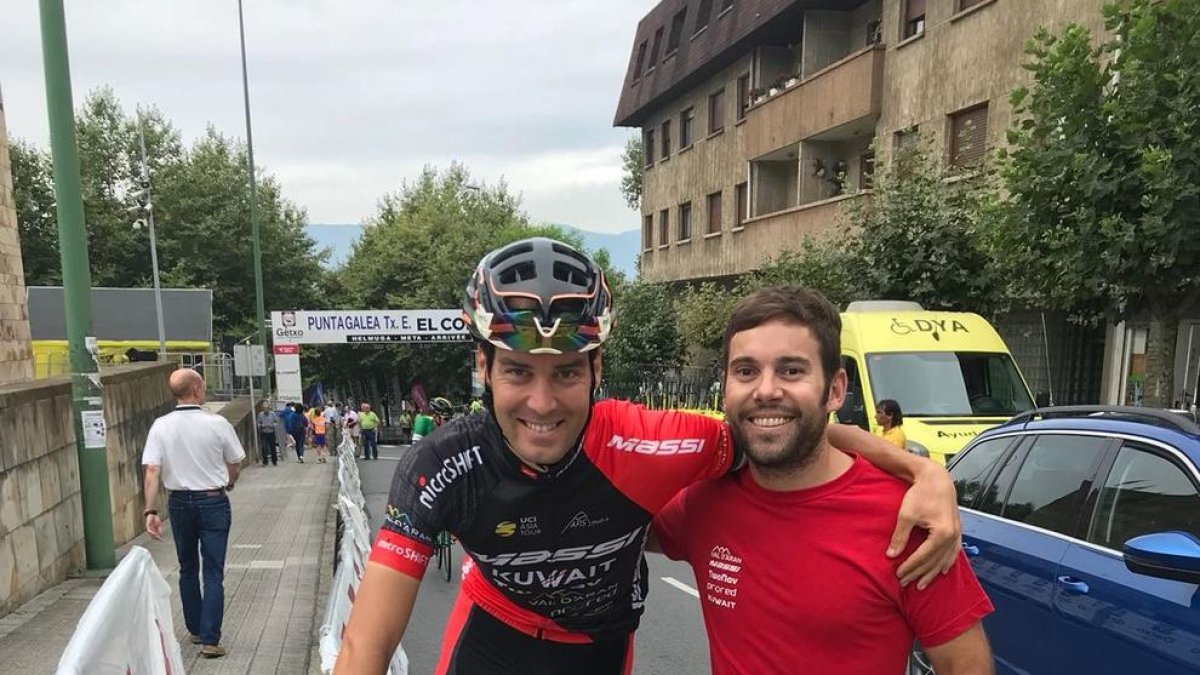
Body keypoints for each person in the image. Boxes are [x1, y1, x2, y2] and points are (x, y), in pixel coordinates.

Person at [335, 238, 960, 675]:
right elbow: (367, 640)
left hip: (599, 649)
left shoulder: (651, 441)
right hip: (494, 638)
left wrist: (921, 470)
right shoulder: (441, 465)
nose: (542, 402)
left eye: (568, 374)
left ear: (597, 367)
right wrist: (919, 466)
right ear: (483, 366)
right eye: (519, 372)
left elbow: (778, 427)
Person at [651, 287, 994, 674]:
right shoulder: (703, 502)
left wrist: (927, 472)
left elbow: (967, 668)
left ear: (835, 390)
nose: (766, 390)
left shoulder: (907, 521)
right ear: (727, 388)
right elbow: (612, 526)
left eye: (791, 370)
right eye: (746, 371)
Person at [141, 369, 245, 659]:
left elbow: (152, 469)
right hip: (213, 501)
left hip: (178, 504)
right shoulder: (217, 423)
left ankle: (195, 628)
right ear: (197, 389)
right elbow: (235, 462)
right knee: (213, 571)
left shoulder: (160, 426)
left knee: (187, 567)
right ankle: (211, 639)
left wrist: (151, 510)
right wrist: (229, 481)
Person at [256, 401, 279, 466]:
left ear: (269, 408)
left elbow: (276, 422)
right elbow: (258, 423)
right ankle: (265, 461)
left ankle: (274, 461)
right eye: (264, 408)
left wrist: (272, 425)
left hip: (271, 432)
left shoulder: (272, 414)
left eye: (267, 408)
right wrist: (262, 425)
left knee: (273, 447)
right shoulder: (260, 415)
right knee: (264, 447)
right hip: (264, 433)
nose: (265, 410)